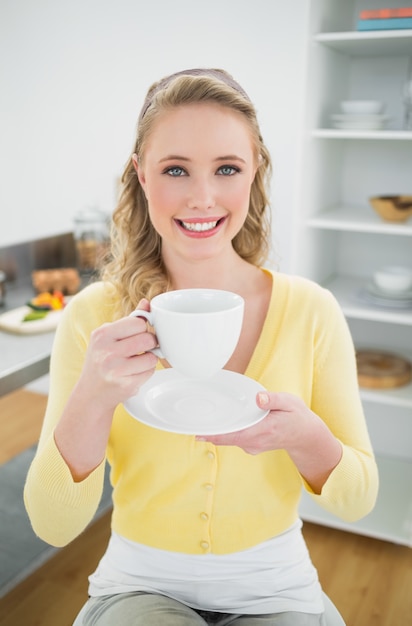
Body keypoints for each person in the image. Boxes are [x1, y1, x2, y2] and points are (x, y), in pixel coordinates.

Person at [24, 68, 378, 625]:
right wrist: (94, 395)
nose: (203, 197)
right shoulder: (94, 318)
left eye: (227, 169)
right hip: (137, 584)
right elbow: (53, 524)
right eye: (175, 170)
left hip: (276, 587)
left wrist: (307, 438)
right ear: (141, 175)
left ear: (254, 170)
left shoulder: (311, 310)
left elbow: (357, 500)